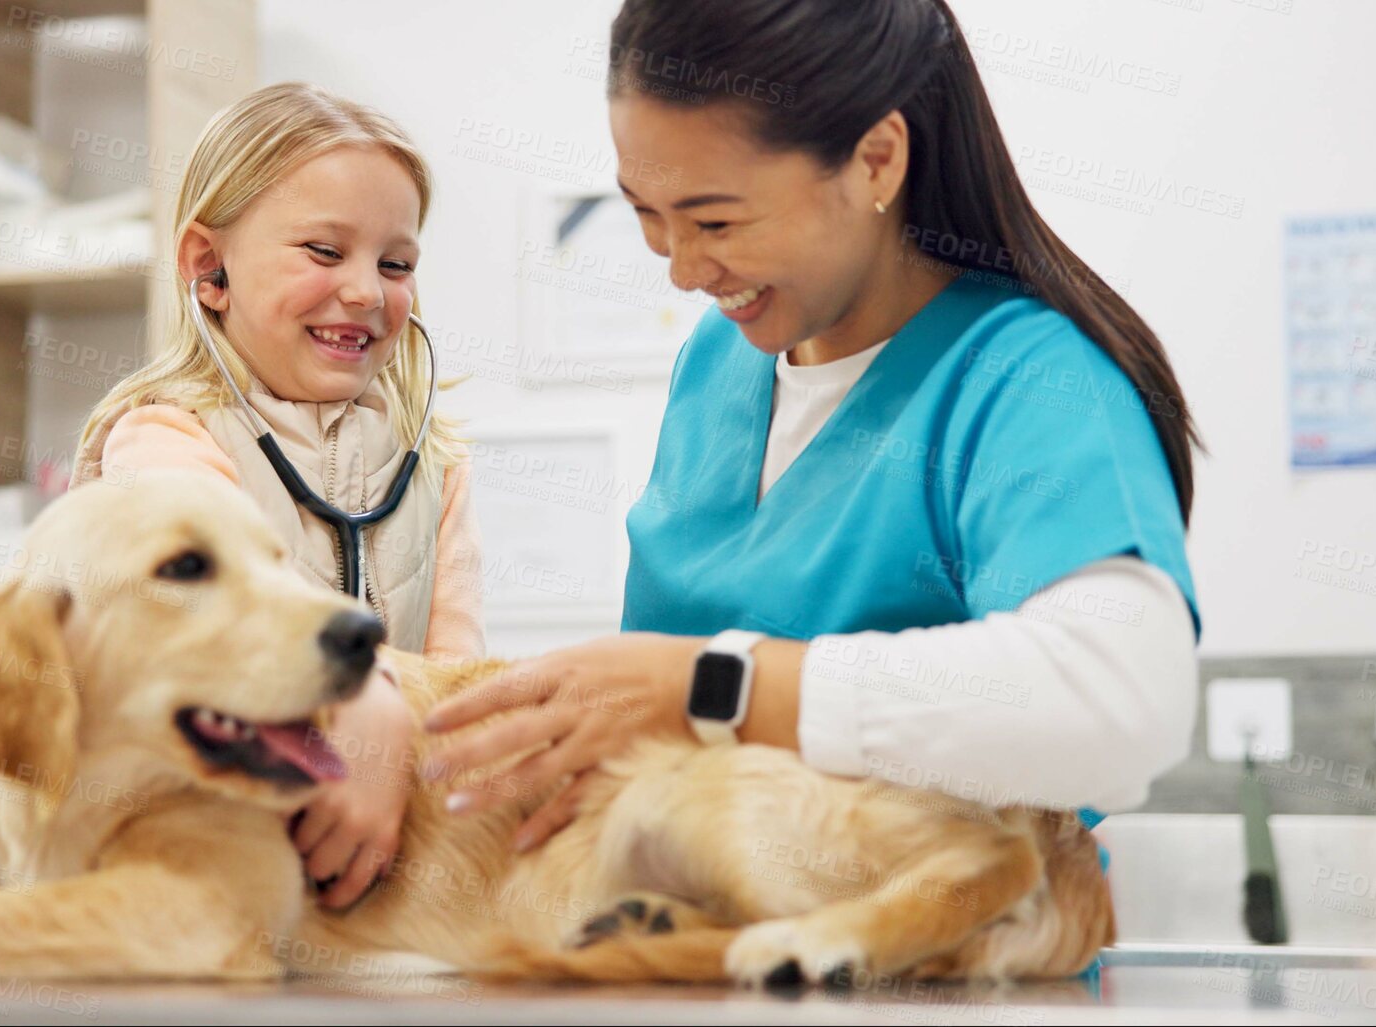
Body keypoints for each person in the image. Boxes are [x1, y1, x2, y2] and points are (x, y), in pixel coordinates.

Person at [422, 0, 1203, 859]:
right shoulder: (719, 362)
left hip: (931, 977)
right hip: (701, 963)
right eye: (647, 214)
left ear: (875, 160)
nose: (682, 268)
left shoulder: (1030, 381)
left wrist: (718, 688)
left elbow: (1121, 701)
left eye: (716, 221)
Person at [71, 82, 483, 910]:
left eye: (395, 263)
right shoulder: (162, 440)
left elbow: (460, 686)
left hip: (376, 872)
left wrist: (405, 728)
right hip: (199, 862)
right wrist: (366, 698)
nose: (368, 291)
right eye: (325, 253)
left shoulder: (433, 467)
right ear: (209, 268)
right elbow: (215, 629)